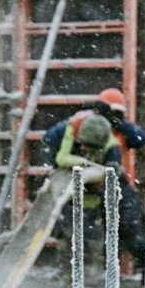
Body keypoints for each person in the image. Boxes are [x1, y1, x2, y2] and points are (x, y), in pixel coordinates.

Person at [41, 88, 145, 263]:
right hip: (81, 185)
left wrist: (120, 125)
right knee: (76, 231)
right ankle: (82, 268)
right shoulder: (76, 125)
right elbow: (51, 140)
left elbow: (140, 139)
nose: (114, 116)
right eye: (111, 112)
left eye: (118, 113)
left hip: (114, 184)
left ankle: (123, 267)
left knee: (126, 228)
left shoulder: (118, 134)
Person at [50, 113, 124, 279]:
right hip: (67, 197)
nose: (84, 149)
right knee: (66, 237)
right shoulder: (72, 129)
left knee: (91, 239)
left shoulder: (113, 148)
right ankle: (66, 274)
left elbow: (114, 172)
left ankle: (90, 277)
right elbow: (61, 158)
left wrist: (106, 170)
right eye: (83, 145)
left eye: (89, 147)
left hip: (92, 199)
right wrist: (85, 163)